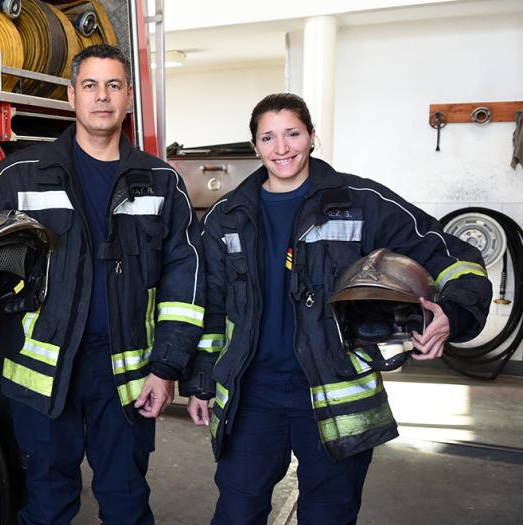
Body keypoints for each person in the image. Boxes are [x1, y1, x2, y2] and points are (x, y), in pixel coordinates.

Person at [180, 92, 491, 524]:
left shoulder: (363, 203)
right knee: (237, 511)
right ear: (255, 147)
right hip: (254, 396)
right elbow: (213, 308)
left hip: (335, 392)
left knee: (329, 515)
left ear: (311, 137)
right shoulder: (226, 217)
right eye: (268, 137)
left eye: (292, 133)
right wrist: (201, 380)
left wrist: (452, 314)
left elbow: (453, 257)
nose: (281, 147)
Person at [0, 44, 204, 524]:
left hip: (125, 375)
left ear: (129, 99)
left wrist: (166, 368)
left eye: (114, 85)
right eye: (91, 85)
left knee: (126, 502)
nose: (102, 97)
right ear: (73, 96)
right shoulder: (24, 172)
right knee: (47, 504)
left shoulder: (161, 183)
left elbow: (186, 280)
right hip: (43, 370)